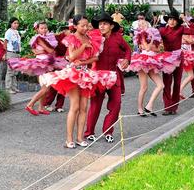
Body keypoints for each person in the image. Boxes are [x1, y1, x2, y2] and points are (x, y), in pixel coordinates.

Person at [41, 15, 117, 149]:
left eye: (87, 25)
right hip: (73, 73)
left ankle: (80, 137)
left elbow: (95, 58)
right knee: (75, 107)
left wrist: (84, 61)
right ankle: (69, 139)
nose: (85, 28)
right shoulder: (72, 38)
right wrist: (82, 47)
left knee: (84, 108)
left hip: (86, 74)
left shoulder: (91, 38)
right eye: (82, 25)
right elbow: (71, 57)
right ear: (75, 26)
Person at [84, 13, 131, 143]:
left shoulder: (118, 37)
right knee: (96, 105)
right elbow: (85, 52)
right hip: (97, 75)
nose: (102, 26)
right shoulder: (93, 37)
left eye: (104, 24)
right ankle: (89, 133)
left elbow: (127, 49)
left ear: (111, 26)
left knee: (116, 104)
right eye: (100, 24)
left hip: (113, 75)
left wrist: (127, 59)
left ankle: (108, 131)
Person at [8, 21, 66, 115]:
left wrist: (41, 51)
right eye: (42, 28)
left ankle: (41, 107)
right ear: (37, 29)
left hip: (47, 63)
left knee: (46, 87)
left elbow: (41, 50)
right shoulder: (39, 38)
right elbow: (50, 50)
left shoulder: (48, 37)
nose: (44, 30)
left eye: (45, 28)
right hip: (41, 64)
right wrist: (44, 51)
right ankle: (30, 104)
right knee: (46, 88)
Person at [123, 26, 179, 117]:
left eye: (144, 22)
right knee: (144, 87)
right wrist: (152, 39)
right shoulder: (142, 36)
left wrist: (158, 46)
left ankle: (149, 106)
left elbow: (158, 50)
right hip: (143, 61)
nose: (143, 24)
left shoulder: (154, 37)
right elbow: (147, 48)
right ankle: (140, 109)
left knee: (161, 85)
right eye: (141, 22)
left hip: (152, 62)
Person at [158, 10, 194, 115]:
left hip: (178, 57)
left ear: (177, 22)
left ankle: (174, 107)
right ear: (167, 20)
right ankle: (167, 107)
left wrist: (186, 21)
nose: (172, 22)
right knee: (167, 82)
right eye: (170, 19)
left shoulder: (180, 29)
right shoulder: (162, 30)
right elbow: (153, 37)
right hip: (167, 58)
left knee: (177, 82)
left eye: (174, 20)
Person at [43, 25, 71, 112]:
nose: (72, 32)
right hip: (56, 63)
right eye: (71, 30)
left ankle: (59, 105)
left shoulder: (72, 39)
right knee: (54, 84)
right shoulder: (56, 37)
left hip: (66, 63)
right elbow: (50, 48)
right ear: (65, 30)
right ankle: (47, 103)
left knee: (64, 84)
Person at [3, 17, 21, 94]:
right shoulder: (8, 32)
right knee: (10, 71)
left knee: (15, 71)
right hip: (11, 53)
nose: (16, 24)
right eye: (14, 23)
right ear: (11, 23)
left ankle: (14, 87)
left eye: (17, 23)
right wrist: (4, 53)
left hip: (17, 53)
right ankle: (8, 88)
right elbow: (5, 43)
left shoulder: (16, 32)